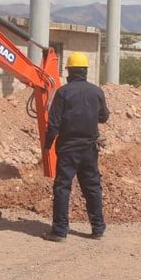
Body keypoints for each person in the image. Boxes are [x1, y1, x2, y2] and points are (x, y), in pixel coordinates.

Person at [43, 52, 109, 242]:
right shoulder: (96, 91)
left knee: (63, 188)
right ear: (86, 71)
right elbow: (104, 117)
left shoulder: (63, 92)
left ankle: (60, 231)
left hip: (68, 148)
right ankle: (98, 229)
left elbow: (53, 124)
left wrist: (47, 146)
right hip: (89, 148)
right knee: (92, 187)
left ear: (69, 72)